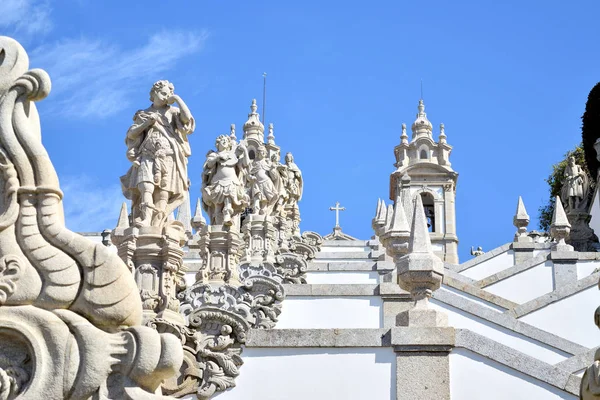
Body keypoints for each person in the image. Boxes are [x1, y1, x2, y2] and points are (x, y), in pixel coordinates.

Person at [120, 80, 195, 228]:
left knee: (163, 192)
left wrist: (178, 99)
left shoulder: (173, 112)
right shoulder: (144, 114)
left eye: (168, 94)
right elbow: (132, 134)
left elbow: (188, 120)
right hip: (147, 155)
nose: (165, 97)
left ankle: (158, 222)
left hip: (168, 156)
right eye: (163, 93)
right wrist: (147, 123)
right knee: (145, 187)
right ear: (154, 93)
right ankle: (146, 219)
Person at [202, 135, 250, 226]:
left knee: (229, 199)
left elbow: (246, 163)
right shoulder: (214, 155)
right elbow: (209, 165)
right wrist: (218, 157)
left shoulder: (233, 156)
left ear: (229, 144)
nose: (224, 142)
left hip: (232, 181)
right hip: (218, 182)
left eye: (226, 141)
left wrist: (244, 150)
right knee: (218, 205)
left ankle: (227, 216)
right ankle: (217, 222)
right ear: (217, 144)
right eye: (222, 140)